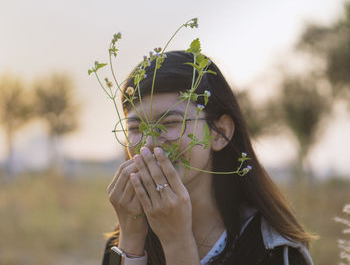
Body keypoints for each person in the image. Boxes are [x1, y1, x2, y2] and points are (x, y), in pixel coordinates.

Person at [102, 51, 314, 265]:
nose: (149, 144)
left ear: (219, 132)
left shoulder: (271, 248)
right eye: (136, 128)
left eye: (169, 123)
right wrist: (130, 245)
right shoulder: (128, 232)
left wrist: (177, 243)